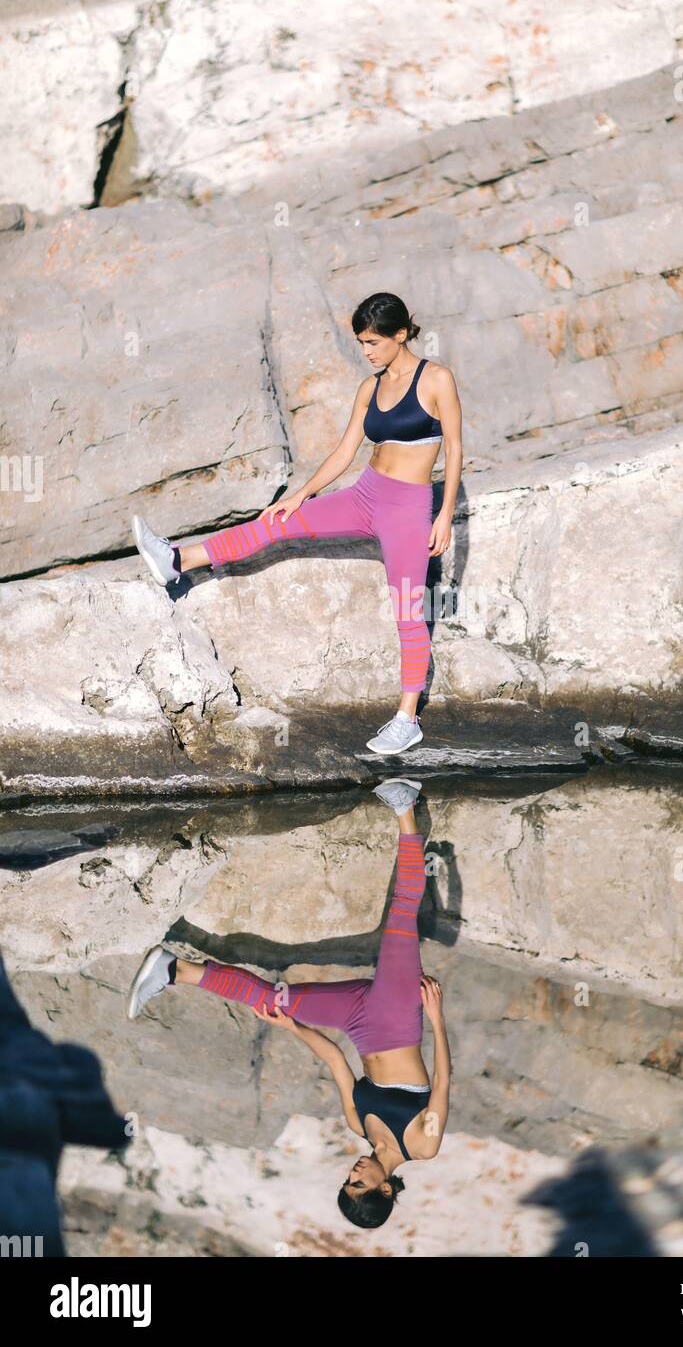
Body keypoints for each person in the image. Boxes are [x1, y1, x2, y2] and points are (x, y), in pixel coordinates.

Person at [131, 293, 464, 756]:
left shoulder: (437, 379)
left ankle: (407, 719)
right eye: (360, 343)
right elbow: (346, 451)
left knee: (408, 610)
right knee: (278, 523)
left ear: (401, 334)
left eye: (372, 342)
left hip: (408, 508)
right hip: (365, 494)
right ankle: (177, 560)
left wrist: (443, 513)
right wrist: (299, 495)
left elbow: (455, 449)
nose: (365, 351)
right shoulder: (370, 388)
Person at [126, 777, 452, 1228]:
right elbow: (442, 1083)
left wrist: (295, 1028)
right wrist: (435, 1019)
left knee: (272, 1001)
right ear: (383, 1189)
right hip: (399, 1020)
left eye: (344, 1182)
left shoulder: (358, 1127)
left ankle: (173, 970)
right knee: (402, 912)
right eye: (358, 1184)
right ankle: (405, 806)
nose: (351, 1175)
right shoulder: (424, 1145)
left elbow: (338, 1062)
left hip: (358, 1022)